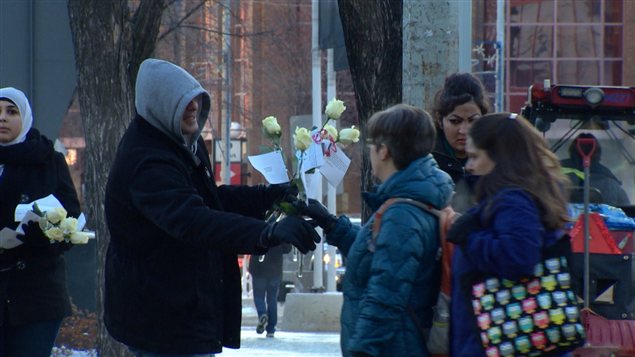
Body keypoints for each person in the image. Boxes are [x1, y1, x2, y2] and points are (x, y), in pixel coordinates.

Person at [103, 58, 320, 356]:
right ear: (159, 106)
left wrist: (268, 196)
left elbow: (209, 200)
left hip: (183, 310)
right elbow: (192, 219)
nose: (192, 107)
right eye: (181, 101)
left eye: (195, 99)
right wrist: (267, 233)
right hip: (162, 319)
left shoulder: (181, 144)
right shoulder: (147, 161)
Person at [301, 104, 454, 357]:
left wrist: (361, 350)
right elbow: (379, 257)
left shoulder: (403, 214)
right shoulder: (414, 199)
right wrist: (332, 224)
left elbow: (385, 295)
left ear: (384, 151)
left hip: (395, 347)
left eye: (372, 144)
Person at [446, 113, 571, 356]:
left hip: (499, 342)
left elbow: (517, 258)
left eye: (475, 156)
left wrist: (469, 236)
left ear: (499, 158)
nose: (469, 166)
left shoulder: (512, 200)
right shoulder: (515, 196)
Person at [0, 87, 81, 357]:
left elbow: (71, 220)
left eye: (11, 112)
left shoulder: (48, 161)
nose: (2, 118)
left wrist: (42, 233)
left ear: (25, 117)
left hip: (36, 297)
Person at [431, 73, 490, 211]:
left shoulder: (495, 158)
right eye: (455, 121)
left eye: (473, 121)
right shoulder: (427, 161)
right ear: (440, 120)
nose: (464, 130)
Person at [560, 132, 630, 207]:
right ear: (598, 155)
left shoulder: (554, 175)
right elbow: (627, 212)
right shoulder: (611, 184)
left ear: (571, 152)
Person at [248, 243, 291, 338]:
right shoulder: (279, 229)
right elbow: (287, 248)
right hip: (275, 268)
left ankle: (262, 313)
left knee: (258, 296)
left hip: (258, 268)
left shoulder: (257, 228)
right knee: (272, 299)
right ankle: (271, 329)